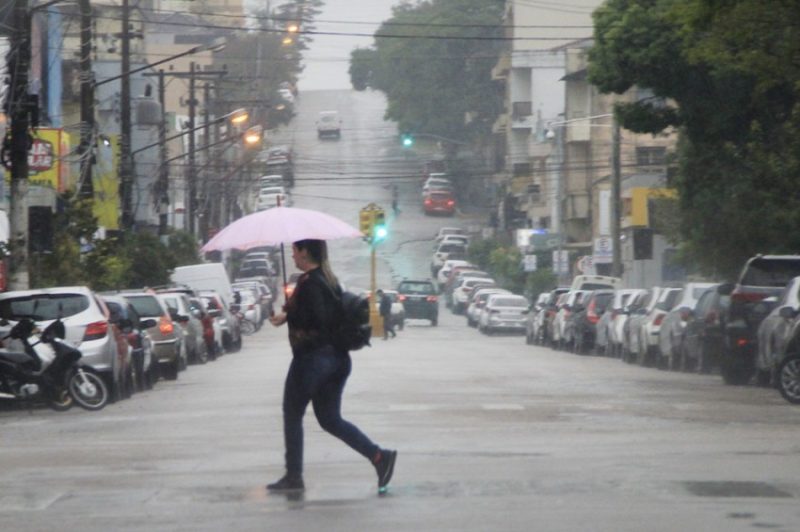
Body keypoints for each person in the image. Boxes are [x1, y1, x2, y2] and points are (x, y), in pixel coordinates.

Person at [267, 239, 397, 493]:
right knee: (329, 419)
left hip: (313, 360)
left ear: (305, 252)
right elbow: (325, 315)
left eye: (295, 250)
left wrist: (291, 312)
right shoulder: (330, 280)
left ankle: (294, 476)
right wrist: (289, 312)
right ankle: (379, 457)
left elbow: (318, 319)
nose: (292, 255)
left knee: (292, 413)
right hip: (337, 359)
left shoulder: (310, 283)